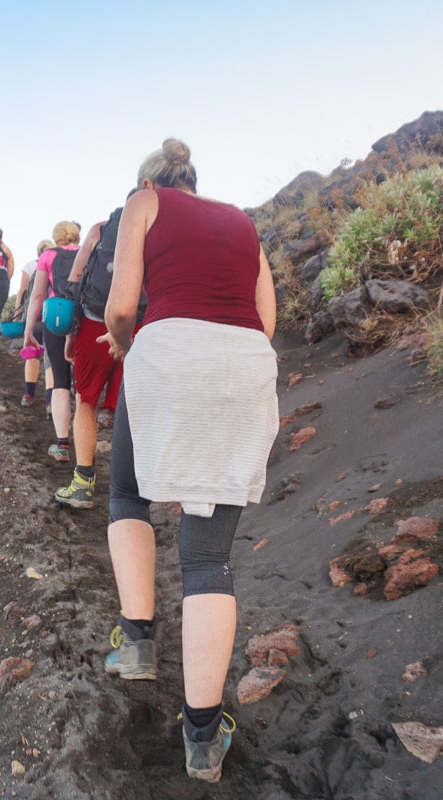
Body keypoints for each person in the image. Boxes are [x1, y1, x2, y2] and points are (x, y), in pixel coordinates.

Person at [98, 139, 277, 783]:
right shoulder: (243, 221)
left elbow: (121, 307)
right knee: (207, 557)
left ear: (151, 181)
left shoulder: (142, 203)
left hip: (168, 352)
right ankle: (202, 738)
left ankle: (137, 644)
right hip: (244, 366)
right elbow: (266, 320)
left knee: (126, 496)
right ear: (197, 181)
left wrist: (127, 347)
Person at [54, 211, 130, 509]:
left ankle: (83, 483)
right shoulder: (163, 226)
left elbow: (76, 277)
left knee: (86, 400)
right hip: (141, 324)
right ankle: (136, 489)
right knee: (133, 402)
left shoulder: (102, 228)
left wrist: (72, 332)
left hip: (96, 321)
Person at [23, 221, 81, 461]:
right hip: (84, 318)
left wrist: (28, 330)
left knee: (59, 380)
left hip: (55, 319)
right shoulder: (87, 251)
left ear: (56, 237)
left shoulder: (47, 256)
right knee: (82, 383)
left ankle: (62, 444)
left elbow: (37, 295)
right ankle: (86, 439)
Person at [15, 240, 55, 406]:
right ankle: (50, 402)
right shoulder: (58, 262)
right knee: (51, 359)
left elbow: (23, 291)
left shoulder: (31, 265)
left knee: (32, 355)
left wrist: (18, 312)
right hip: (52, 316)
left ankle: (28, 395)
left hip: (34, 316)